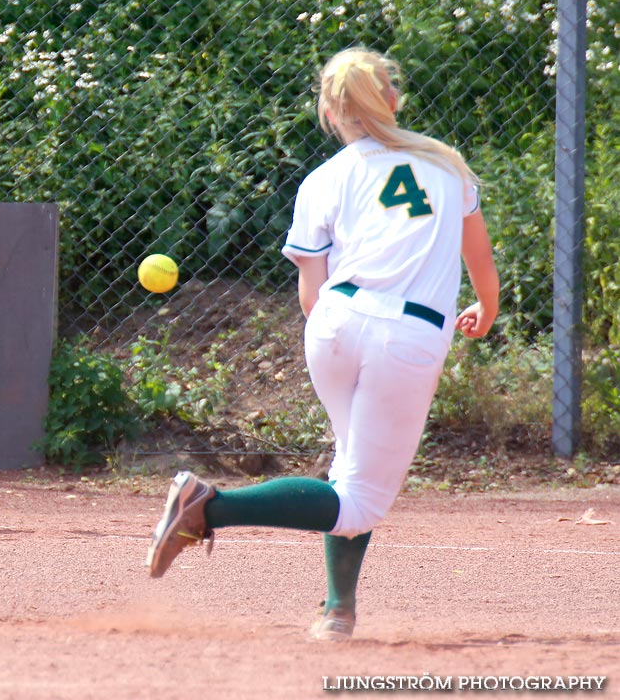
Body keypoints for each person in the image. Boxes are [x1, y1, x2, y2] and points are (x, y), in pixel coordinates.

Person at [145, 47, 500, 641]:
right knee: (360, 499)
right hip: (407, 336)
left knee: (349, 469)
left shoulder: (324, 179)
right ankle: (210, 506)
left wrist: (338, 337)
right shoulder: (445, 164)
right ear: (392, 98)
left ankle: (337, 611)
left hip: (334, 323)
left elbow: (311, 293)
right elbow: (479, 258)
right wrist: (485, 308)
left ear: (331, 111)